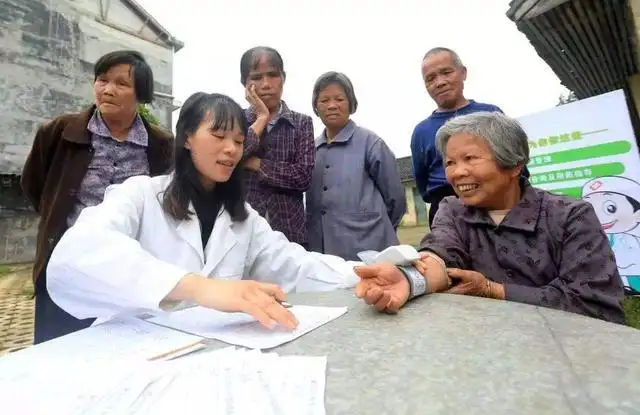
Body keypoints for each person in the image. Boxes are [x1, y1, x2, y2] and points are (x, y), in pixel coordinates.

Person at [46, 92, 359, 337]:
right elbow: (75, 255)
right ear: (187, 137)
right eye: (219, 136)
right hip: (130, 353)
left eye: (239, 141)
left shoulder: (243, 218)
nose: (232, 149)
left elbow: (295, 264)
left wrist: (361, 273)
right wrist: (201, 288)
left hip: (204, 358)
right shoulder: (141, 195)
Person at [354, 112, 625, 324]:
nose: (457, 173)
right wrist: (408, 279)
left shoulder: (570, 216)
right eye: (450, 162)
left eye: (469, 158)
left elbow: (594, 305)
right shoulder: (453, 209)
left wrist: (493, 290)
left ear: (514, 165)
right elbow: (440, 254)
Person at [20, 50, 173, 344]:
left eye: (121, 83)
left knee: (118, 348)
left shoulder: (160, 144)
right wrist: (57, 219)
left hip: (127, 270)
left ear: (140, 94)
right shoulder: (60, 131)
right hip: (66, 262)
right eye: (102, 80)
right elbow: (34, 184)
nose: (108, 90)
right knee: (58, 349)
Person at [411, 47, 517, 228]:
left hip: (498, 202)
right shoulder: (421, 131)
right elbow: (422, 182)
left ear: (463, 73)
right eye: (430, 78)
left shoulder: (491, 114)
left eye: (446, 72)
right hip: (446, 209)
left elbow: (514, 161)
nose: (440, 82)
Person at [306, 71, 406, 261]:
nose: (332, 105)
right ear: (316, 107)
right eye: (324, 100)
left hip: (370, 253)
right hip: (323, 257)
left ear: (351, 103)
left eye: (339, 99)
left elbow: (396, 200)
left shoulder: (371, 144)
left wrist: (377, 229)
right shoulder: (311, 150)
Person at [239, 46, 315, 247]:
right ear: (245, 83)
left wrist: (256, 164)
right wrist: (261, 117)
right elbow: (234, 157)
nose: (266, 84)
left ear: (283, 78)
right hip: (242, 232)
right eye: (256, 77)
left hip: (290, 234)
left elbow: (303, 177)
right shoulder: (236, 120)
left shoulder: (302, 123)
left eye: (273, 75)